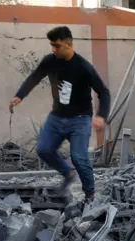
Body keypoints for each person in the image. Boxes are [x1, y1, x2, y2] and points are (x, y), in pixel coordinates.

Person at [9, 26, 110, 204]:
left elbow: (103, 92)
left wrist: (101, 116)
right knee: (44, 149)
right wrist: (19, 96)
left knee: (79, 157)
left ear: (68, 45)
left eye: (56, 45)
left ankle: (90, 196)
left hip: (80, 120)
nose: (53, 49)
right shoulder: (50, 61)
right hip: (56, 117)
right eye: (51, 45)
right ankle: (68, 173)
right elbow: (34, 77)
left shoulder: (83, 67)